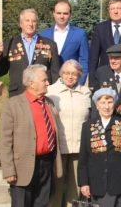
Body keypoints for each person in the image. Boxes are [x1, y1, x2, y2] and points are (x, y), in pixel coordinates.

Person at [0, 64, 63, 207]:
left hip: (46, 164)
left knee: (42, 203)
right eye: (44, 80)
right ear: (31, 83)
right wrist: (9, 169)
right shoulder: (13, 104)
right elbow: (5, 140)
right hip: (23, 167)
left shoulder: (49, 102)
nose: (48, 83)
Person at [78, 87, 121, 206]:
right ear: (96, 105)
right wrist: (84, 183)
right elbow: (83, 157)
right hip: (97, 183)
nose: (106, 107)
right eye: (102, 102)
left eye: (110, 102)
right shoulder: (88, 126)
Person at [47, 60, 91, 207]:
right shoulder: (50, 92)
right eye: (66, 73)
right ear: (61, 74)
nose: (70, 77)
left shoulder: (86, 92)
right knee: (56, 187)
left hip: (79, 146)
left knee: (76, 187)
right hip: (58, 147)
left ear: (79, 75)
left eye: (74, 73)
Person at [0, 9, 60, 97]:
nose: (30, 24)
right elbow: (0, 72)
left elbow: (55, 74)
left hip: (42, 95)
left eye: (34, 21)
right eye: (27, 20)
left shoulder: (50, 45)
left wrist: (52, 93)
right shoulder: (9, 44)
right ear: (21, 23)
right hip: (18, 95)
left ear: (37, 24)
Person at [39, 1, 90, 86]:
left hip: (71, 81)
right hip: (49, 82)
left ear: (70, 14)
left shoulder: (80, 34)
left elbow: (84, 60)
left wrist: (80, 82)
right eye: (59, 13)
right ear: (54, 14)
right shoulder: (44, 34)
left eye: (65, 13)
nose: (62, 16)